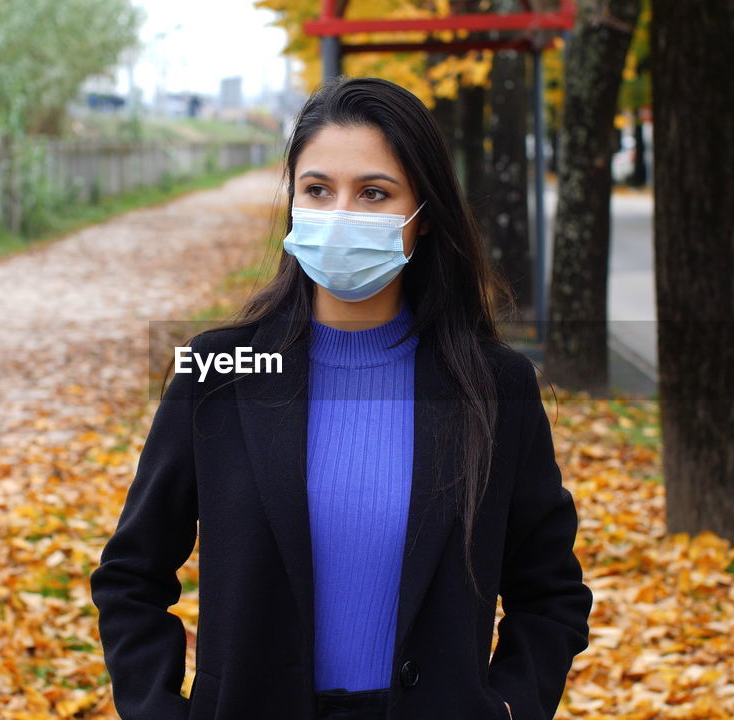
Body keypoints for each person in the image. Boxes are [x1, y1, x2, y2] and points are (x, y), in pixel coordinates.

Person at [89, 75, 593, 720]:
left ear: (425, 215)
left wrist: (508, 708)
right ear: (294, 200)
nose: (340, 215)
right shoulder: (219, 371)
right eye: (318, 189)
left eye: (374, 193)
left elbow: (550, 594)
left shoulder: (495, 389)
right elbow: (131, 577)